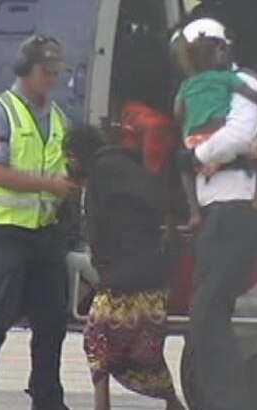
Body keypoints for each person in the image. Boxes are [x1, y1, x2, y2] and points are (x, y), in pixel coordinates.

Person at [0, 35, 78, 410]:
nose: (53, 78)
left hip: (44, 232)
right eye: (47, 71)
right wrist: (52, 186)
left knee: (52, 321)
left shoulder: (57, 117)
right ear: (26, 70)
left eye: (57, 72)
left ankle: (47, 397)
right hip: (3, 231)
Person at [172, 19, 257, 410]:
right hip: (216, 210)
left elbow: (240, 136)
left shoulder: (246, 84)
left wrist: (195, 157)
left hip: (238, 207)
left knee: (206, 314)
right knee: (207, 314)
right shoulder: (194, 90)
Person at [66, 125, 185, 410]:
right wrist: (169, 236)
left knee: (97, 336)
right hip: (152, 272)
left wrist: (100, 260)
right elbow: (165, 198)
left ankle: (101, 405)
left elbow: (96, 227)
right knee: (144, 350)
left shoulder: (102, 172)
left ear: (79, 154)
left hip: (126, 274)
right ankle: (171, 402)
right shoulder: (125, 166)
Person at [173, 20, 257, 229]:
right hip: (215, 162)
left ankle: (193, 211)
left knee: (184, 167)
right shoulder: (229, 78)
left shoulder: (186, 85)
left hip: (195, 141)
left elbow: (178, 112)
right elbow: (249, 103)